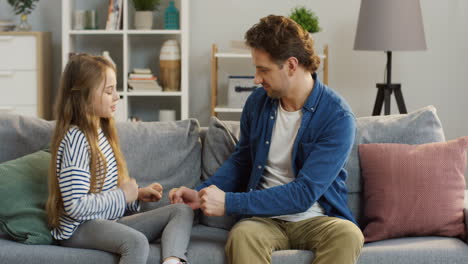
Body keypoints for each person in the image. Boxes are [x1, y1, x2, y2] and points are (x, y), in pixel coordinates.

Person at [169, 15, 364, 264]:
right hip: (263, 222)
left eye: (264, 70)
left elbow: (304, 193)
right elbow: (242, 161)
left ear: (292, 65)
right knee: (242, 236)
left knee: (348, 235)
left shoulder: (337, 117)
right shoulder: (258, 103)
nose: (256, 79)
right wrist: (200, 193)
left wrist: (229, 202)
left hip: (318, 219)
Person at [46, 54, 193, 264]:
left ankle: (172, 261)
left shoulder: (102, 134)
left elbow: (104, 195)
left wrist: (136, 195)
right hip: (79, 228)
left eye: (116, 89)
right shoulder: (76, 139)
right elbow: (75, 205)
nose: (117, 96)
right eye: (109, 91)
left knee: (182, 211)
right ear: (83, 96)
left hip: (106, 221)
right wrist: (122, 196)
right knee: (137, 243)